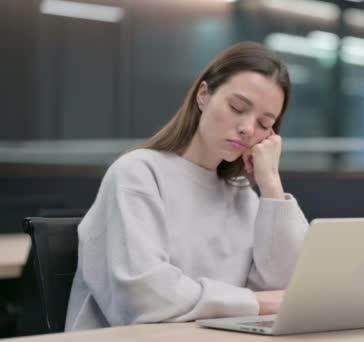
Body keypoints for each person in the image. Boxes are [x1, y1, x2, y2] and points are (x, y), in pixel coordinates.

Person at [65, 42, 309, 331]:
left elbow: (292, 291)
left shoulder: (243, 194)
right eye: (237, 107)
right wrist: (256, 303)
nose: (247, 128)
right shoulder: (138, 174)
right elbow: (144, 298)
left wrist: (270, 185)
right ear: (203, 95)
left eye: (264, 123)